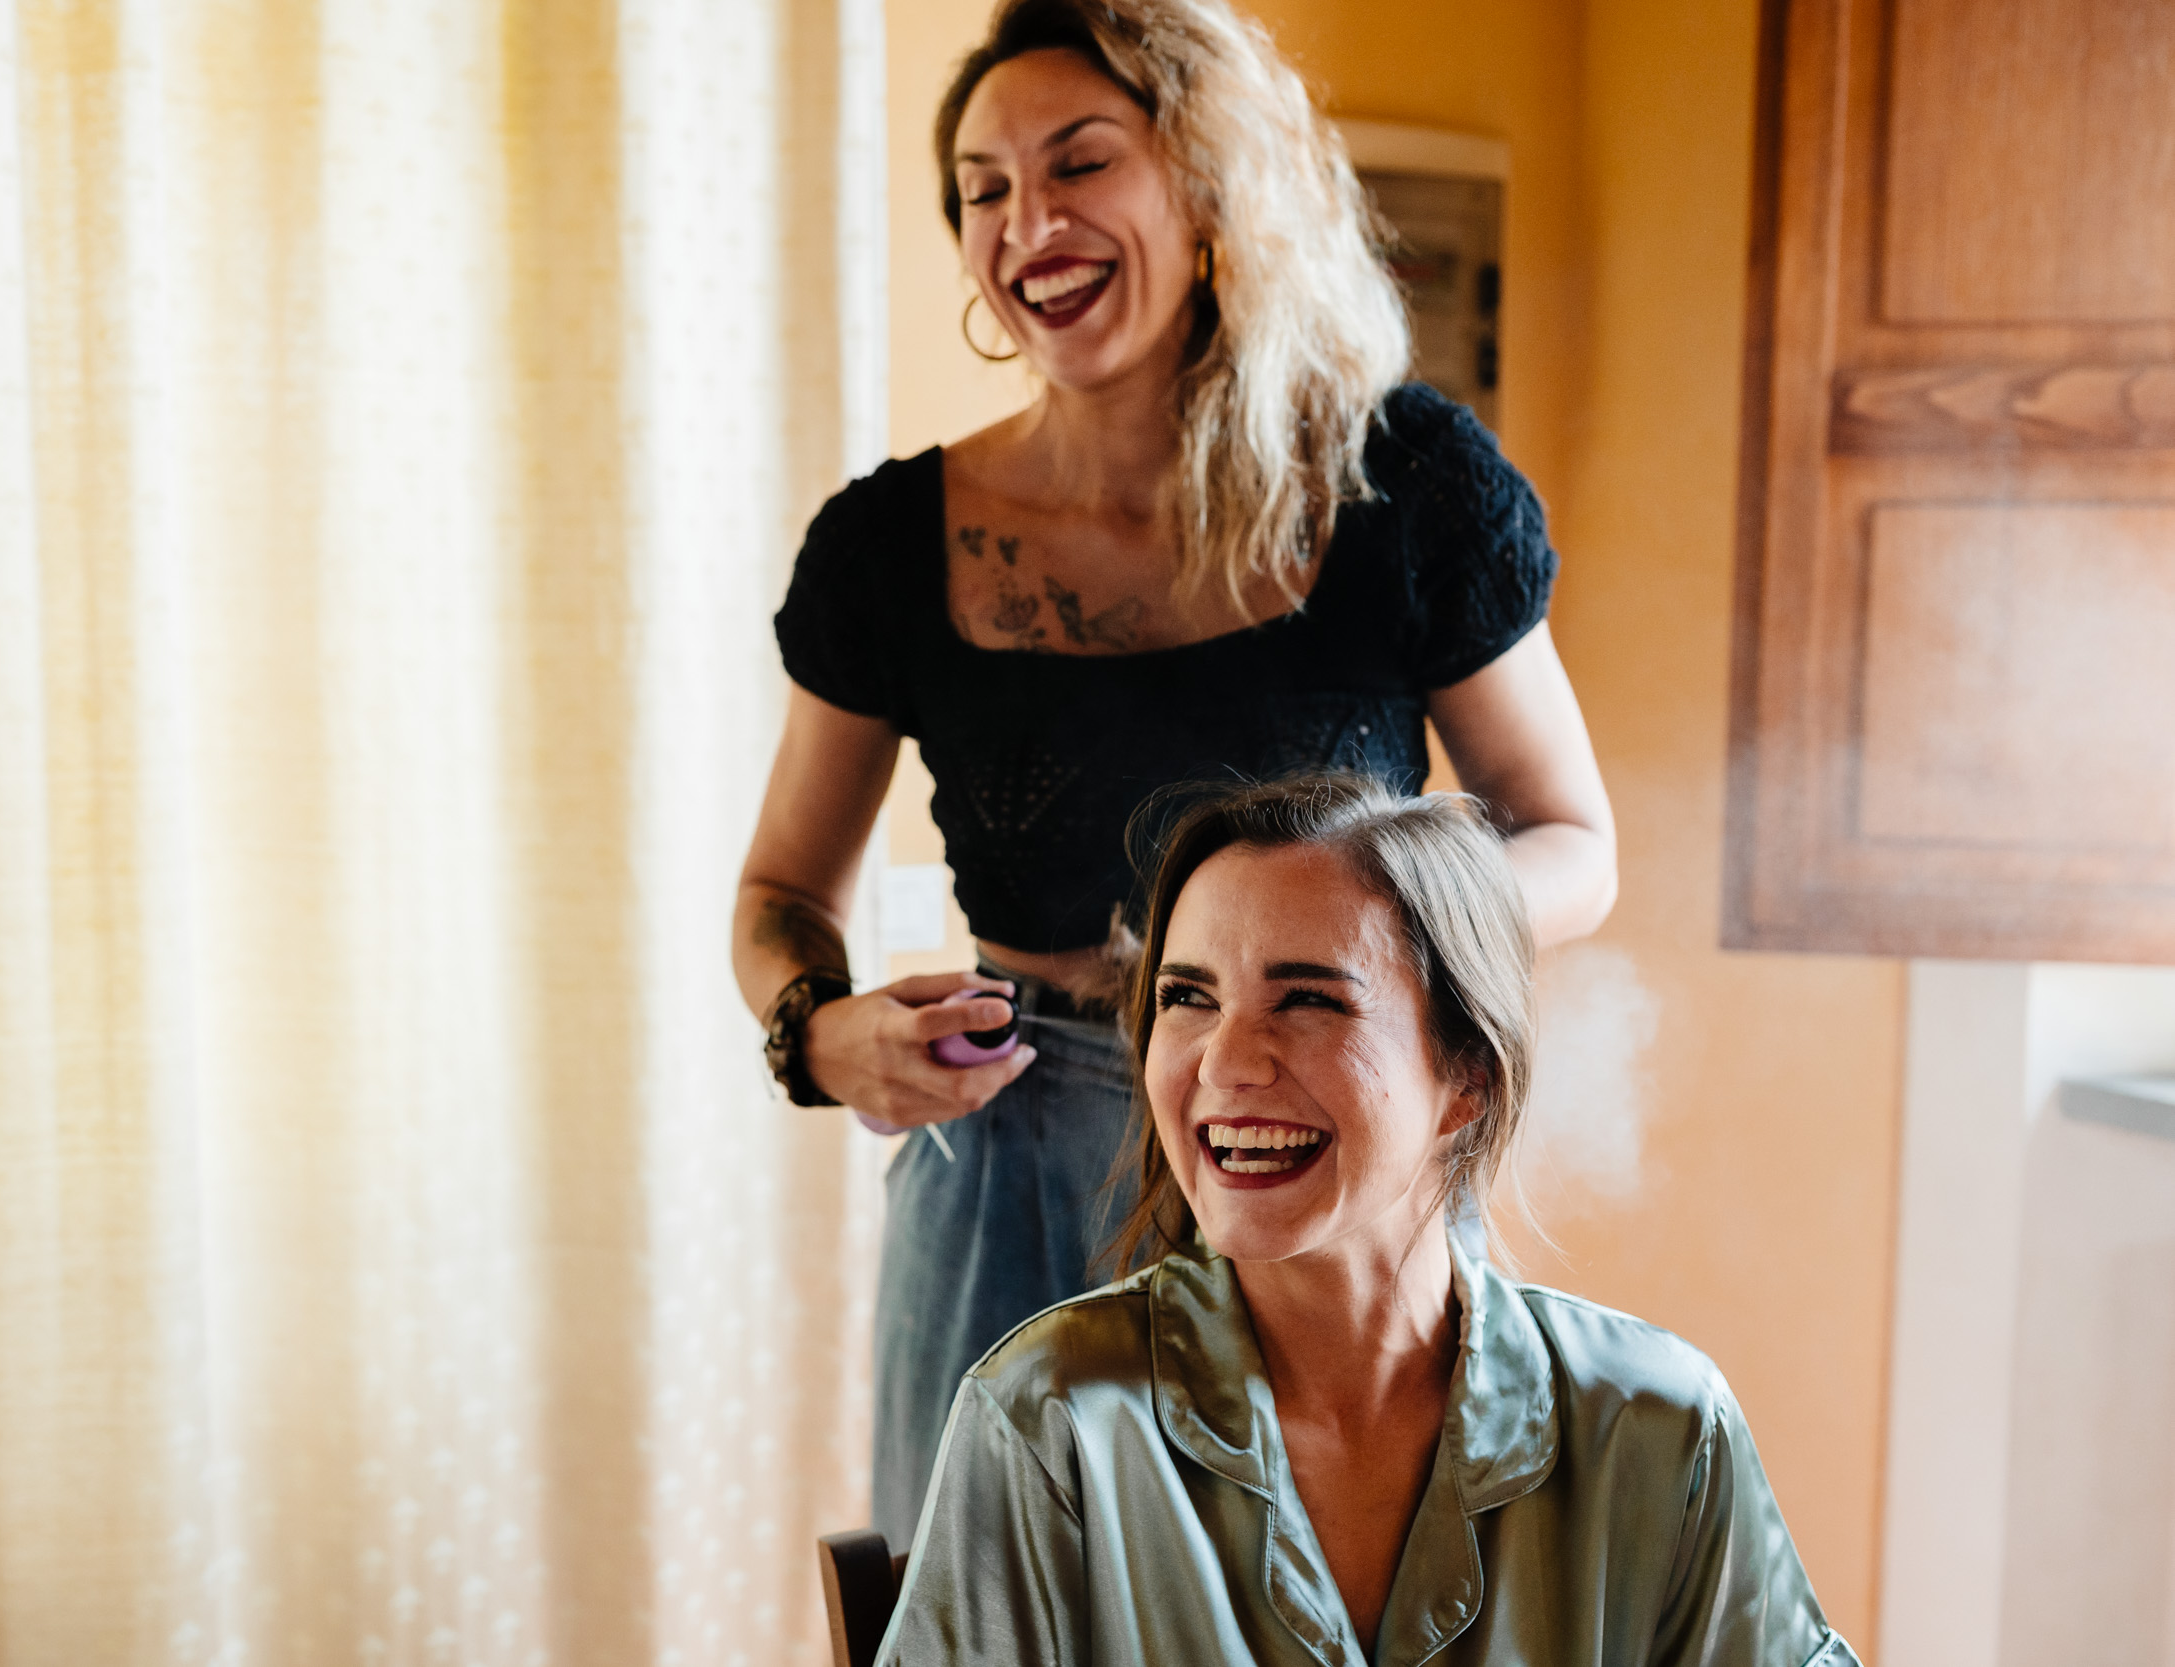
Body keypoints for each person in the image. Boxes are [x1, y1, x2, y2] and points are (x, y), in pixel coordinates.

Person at [732, 0, 1616, 1552]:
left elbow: (1571, 838)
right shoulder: (887, 548)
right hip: (1006, 1166)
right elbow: (781, 892)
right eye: (985, 188)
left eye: (1080, 163)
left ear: (1205, 185)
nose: (1028, 223)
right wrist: (822, 1030)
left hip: (1328, 1147)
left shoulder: (1403, 486)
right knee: (990, 1616)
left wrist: (1372, 930)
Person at [878, 774, 1855, 1667]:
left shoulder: (1660, 1424)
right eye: (1187, 996)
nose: (1224, 1062)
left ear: (1467, 1078)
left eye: (1307, 999)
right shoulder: (1047, 1417)